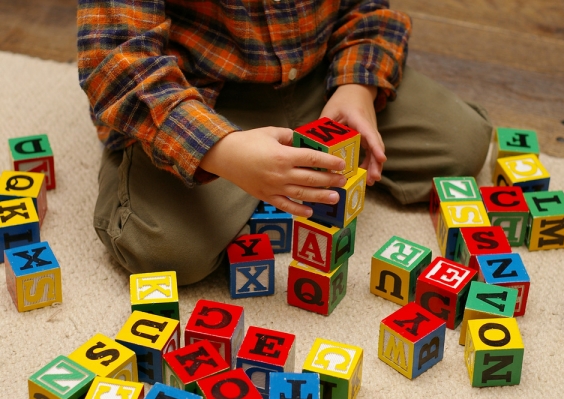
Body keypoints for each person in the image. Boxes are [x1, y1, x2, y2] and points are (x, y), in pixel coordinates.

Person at [77, 0, 492, 285]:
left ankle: (265, 177)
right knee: (164, 250)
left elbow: (367, 8)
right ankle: (158, 160)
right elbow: (115, 61)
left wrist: (357, 85)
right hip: (197, 98)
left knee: (464, 143)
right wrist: (224, 151)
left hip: (320, 77)